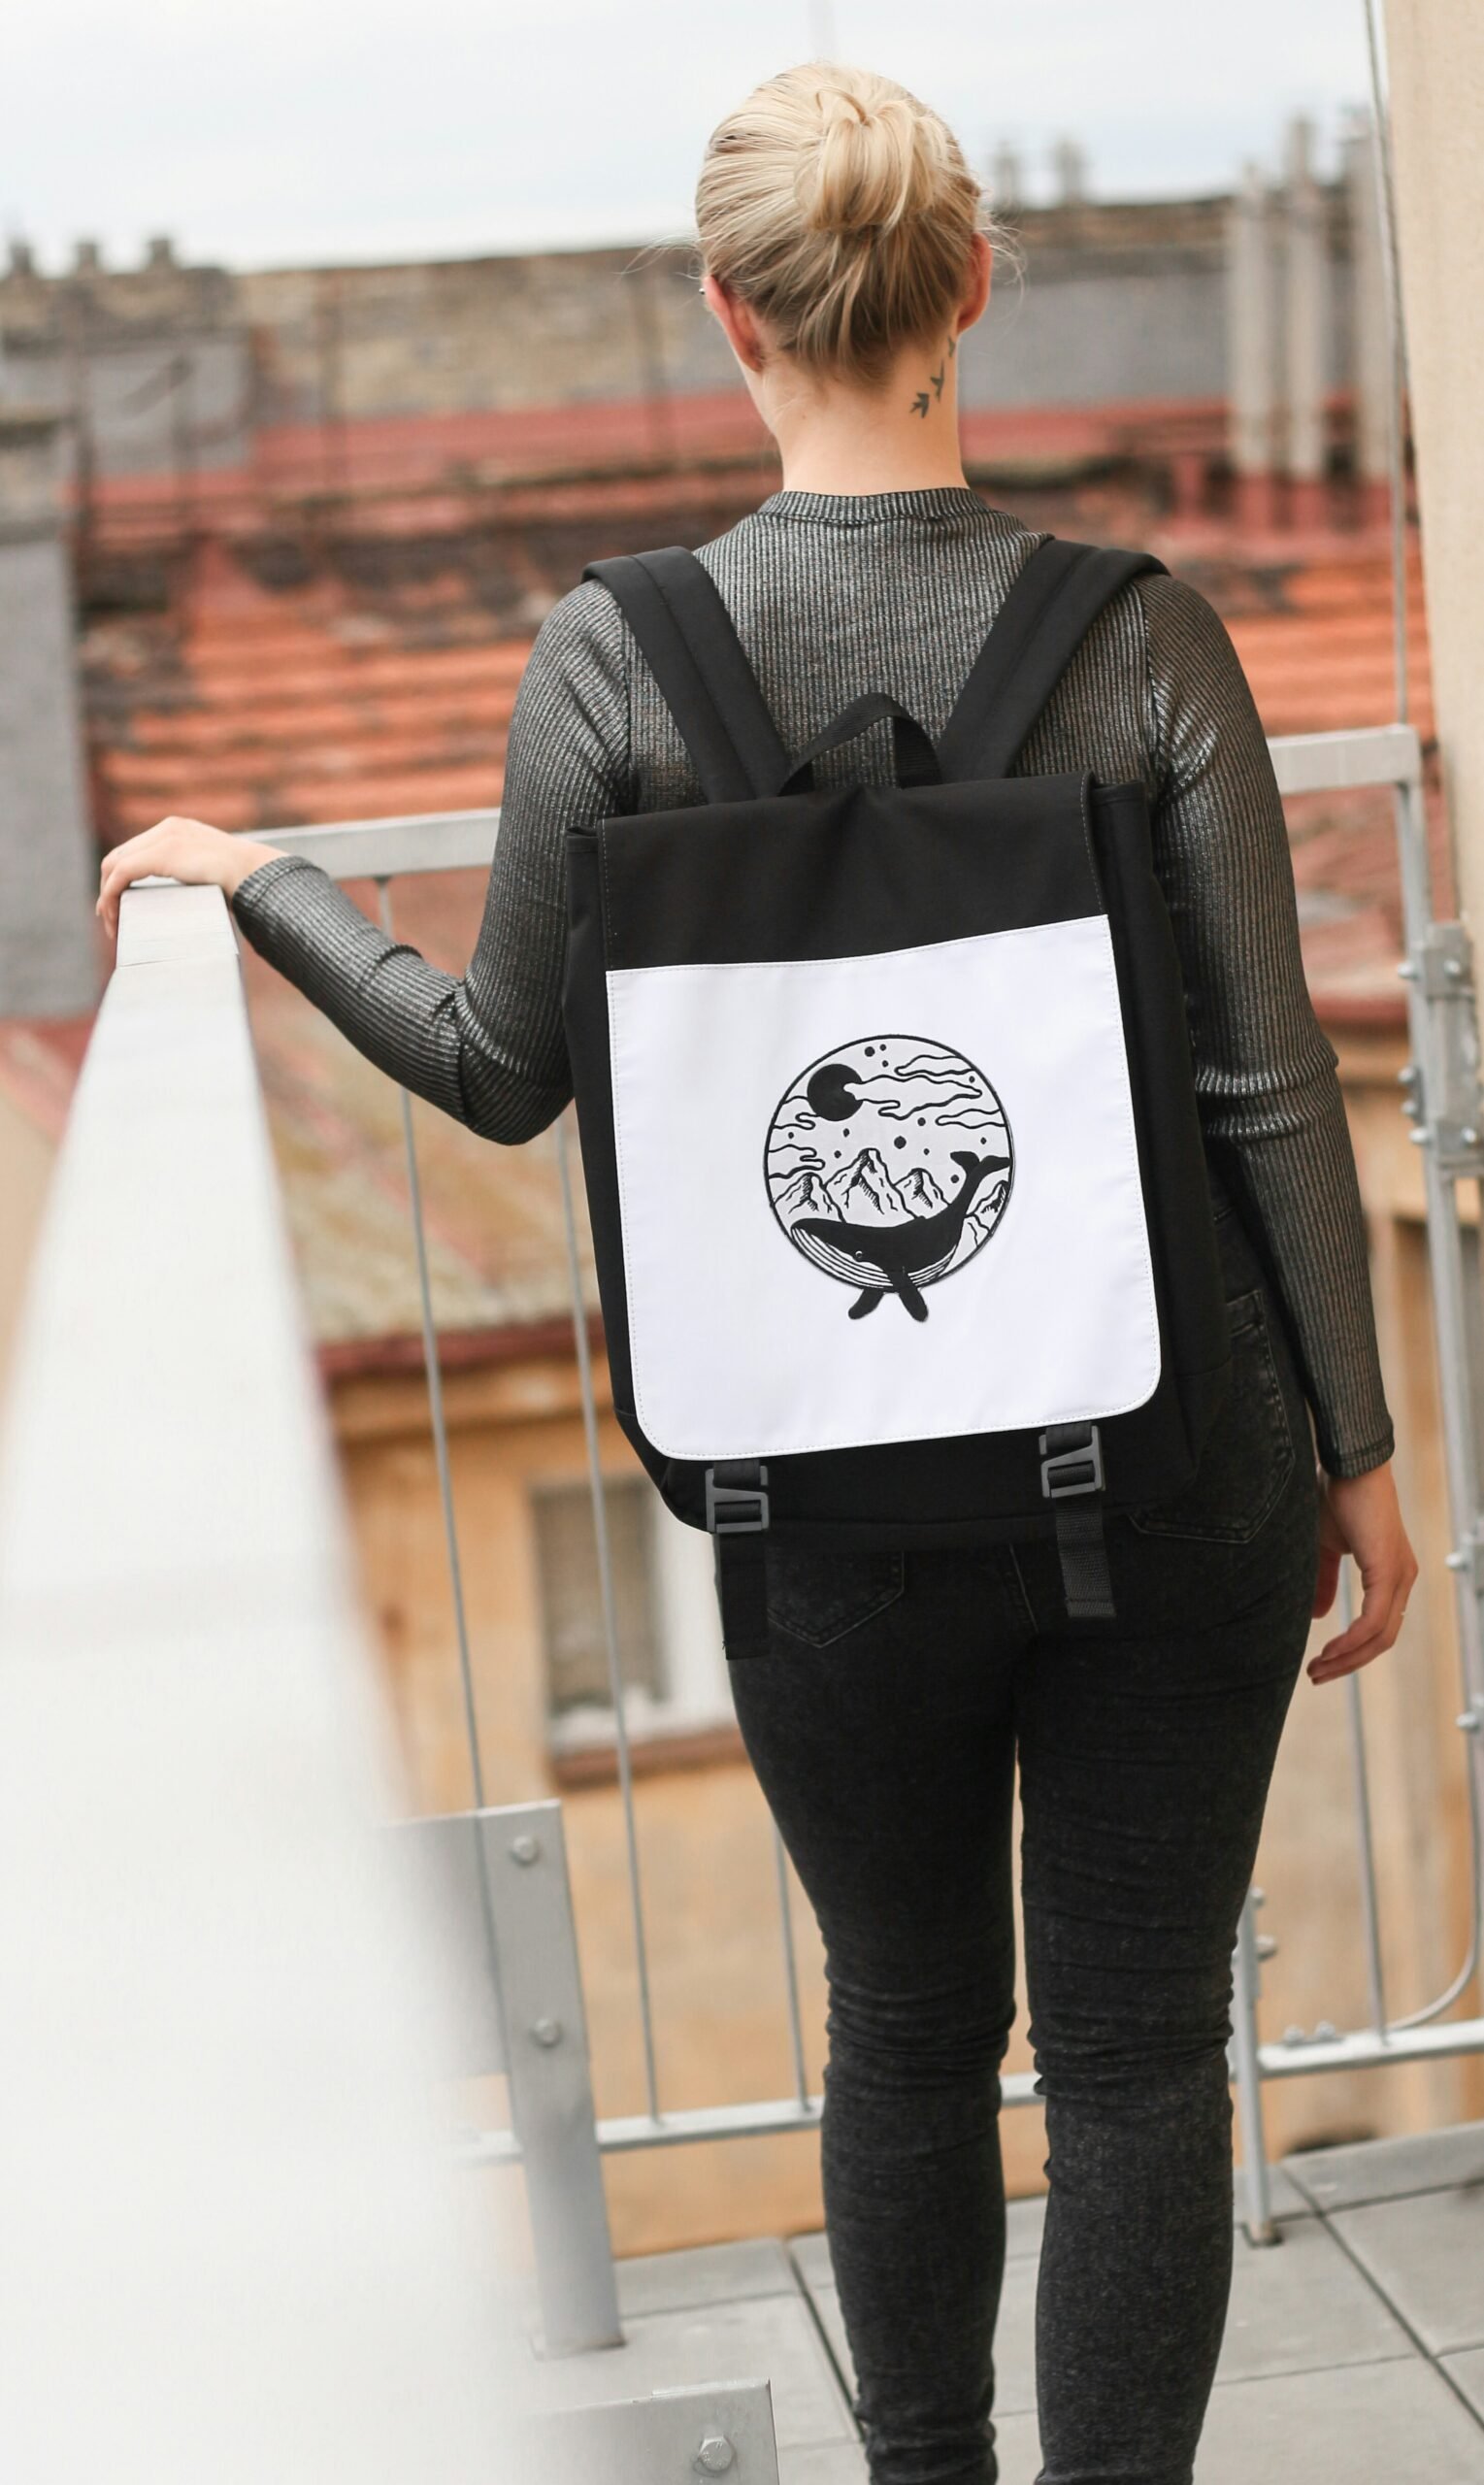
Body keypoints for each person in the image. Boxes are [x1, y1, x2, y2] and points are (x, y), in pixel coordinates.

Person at [98, 61, 1416, 2485]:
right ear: (973, 295)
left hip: (821, 1504)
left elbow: (503, 1067)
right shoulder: (1142, 639)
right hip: (1175, 1460)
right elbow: (1256, 1094)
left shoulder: (614, 658)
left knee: (905, 2028)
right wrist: (1361, 1451)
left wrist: (263, 878)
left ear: (727, 314)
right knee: (1134, 2053)